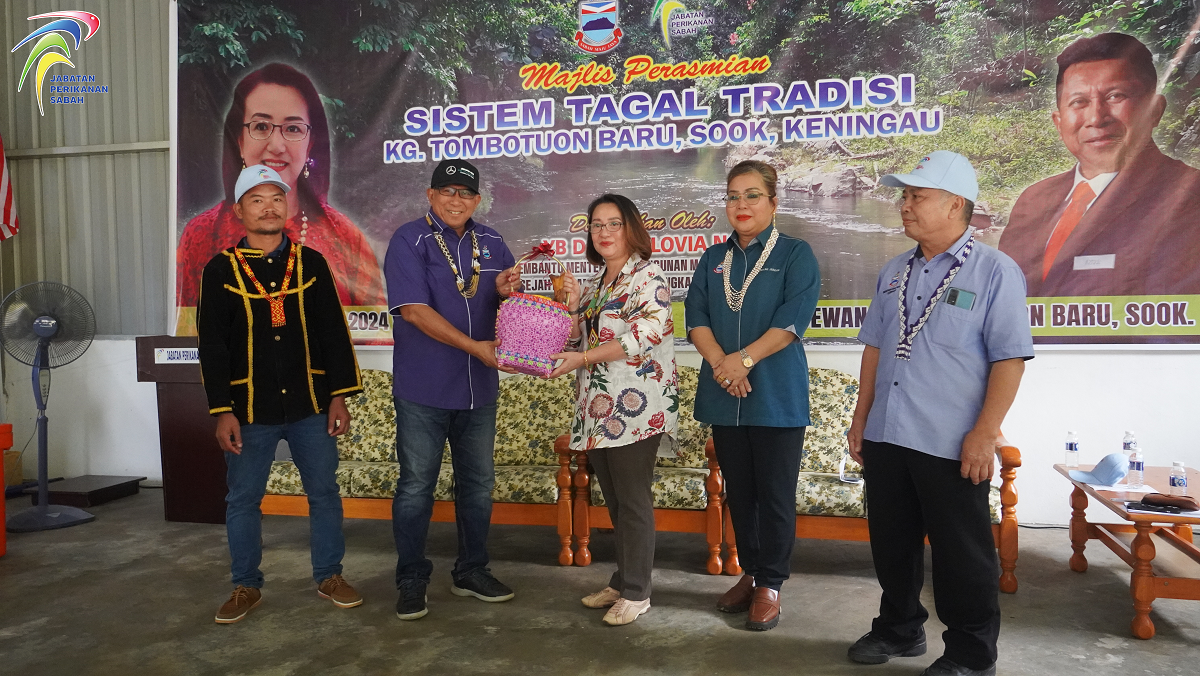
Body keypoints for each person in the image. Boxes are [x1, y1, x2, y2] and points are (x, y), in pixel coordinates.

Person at [846, 151, 1034, 676]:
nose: (904, 205)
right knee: (892, 543)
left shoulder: (995, 271)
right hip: (887, 432)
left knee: (961, 552)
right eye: (904, 195)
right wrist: (861, 418)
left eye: (917, 196)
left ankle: (972, 654)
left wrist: (985, 434)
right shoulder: (894, 271)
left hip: (951, 440)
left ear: (955, 204)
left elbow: (1009, 359)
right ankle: (899, 628)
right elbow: (875, 348)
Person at [197, 164, 364, 624]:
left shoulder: (311, 263)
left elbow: (333, 333)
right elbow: (212, 345)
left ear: (287, 207)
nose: (268, 207)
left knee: (324, 493)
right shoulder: (220, 269)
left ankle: (330, 576)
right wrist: (222, 410)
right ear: (239, 211)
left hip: (311, 405)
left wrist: (338, 396)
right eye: (257, 199)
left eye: (276, 198)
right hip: (249, 410)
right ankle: (245, 585)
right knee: (243, 499)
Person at [684, 160, 821, 631]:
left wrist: (740, 361)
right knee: (740, 495)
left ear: (773, 202)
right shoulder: (712, 258)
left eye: (752, 195)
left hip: (776, 395)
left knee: (775, 496)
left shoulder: (796, 254)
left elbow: (791, 320)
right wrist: (724, 366)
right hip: (726, 395)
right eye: (732, 196)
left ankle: (771, 585)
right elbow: (696, 318)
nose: (740, 204)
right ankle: (751, 572)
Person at [384, 159, 520, 621]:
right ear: (430, 194)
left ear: (477, 200)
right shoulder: (409, 239)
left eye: (465, 192)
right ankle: (411, 579)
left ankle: (472, 571)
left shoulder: (494, 242)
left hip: (479, 389)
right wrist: (475, 348)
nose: (456, 199)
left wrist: (506, 292)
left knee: (478, 487)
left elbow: (509, 311)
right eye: (447, 190)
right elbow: (414, 311)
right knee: (415, 488)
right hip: (423, 386)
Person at [545, 193, 679, 626]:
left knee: (634, 501)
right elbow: (573, 343)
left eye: (613, 223)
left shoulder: (648, 277)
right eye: (596, 224)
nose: (603, 232)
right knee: (617, 503)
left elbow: (643, 336)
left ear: (631, 228)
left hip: (637, 409)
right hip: (598, 410)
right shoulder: (597, 283)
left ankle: (638, 593)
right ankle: (623, 581)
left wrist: (583, 357)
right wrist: (571, 308)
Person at [178, 63, 386, 334]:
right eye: (261, 126)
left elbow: (377, 331)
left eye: (293, 129)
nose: (277, 146)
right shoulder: (201, 236)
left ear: (310, 144)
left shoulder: (344, 237)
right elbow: (189, 334)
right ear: (238, 140)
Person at [998, 32, 1200, 297]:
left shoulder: (1189, 196)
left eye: (1116, 96)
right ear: (1059, 122)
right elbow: (1002, 297)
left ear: (1155, 110)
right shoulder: (1034, 201)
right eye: (1079, 102)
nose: (1096, 118)